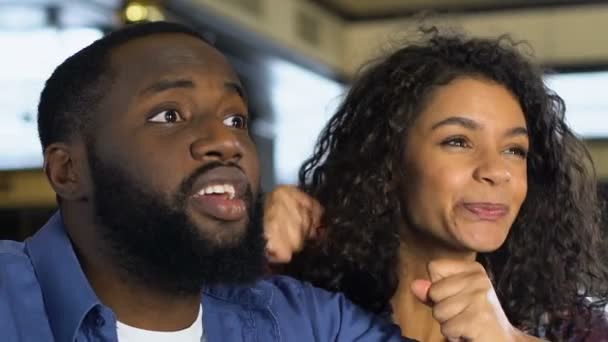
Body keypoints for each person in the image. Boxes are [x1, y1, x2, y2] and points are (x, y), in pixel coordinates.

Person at [0, 21, 412, 342]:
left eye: (236, 119)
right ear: (68, 171)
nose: (227, 142)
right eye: (169, 116)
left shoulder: (311, 323)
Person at [264, 28, 608, 341]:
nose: (495, 170)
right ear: (389, 161)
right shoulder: (306, 298)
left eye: (514, 150)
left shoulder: (567, 325)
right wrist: (243, 239)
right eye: (458, 141)